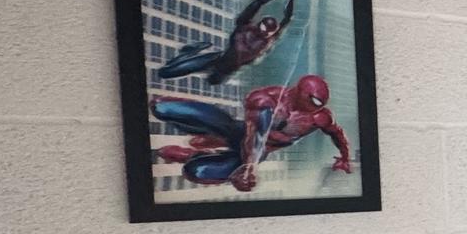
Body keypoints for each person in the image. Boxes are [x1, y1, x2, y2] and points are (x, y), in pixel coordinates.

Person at [151, 73, 352, 191]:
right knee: (162, 108)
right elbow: (254, 135)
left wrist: (345, 156)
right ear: (299, 92)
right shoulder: (267, 99)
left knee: (195, 171)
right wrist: (249, 165)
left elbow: (337, 133)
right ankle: (207, 141)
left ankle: (192, 154)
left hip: (260, 152)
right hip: (240, 134)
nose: (314, 108)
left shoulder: (319, 117)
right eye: (312, 102)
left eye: (319, 104)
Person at [156, 0, 300, 85]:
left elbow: (287, 18)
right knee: (165, 72)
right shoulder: (245, 26)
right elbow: (260, 1)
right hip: (216, 59)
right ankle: (188, 52)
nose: (263, 33)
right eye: (262, 28)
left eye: (267, 32)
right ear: (259, 24)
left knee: (209, 80)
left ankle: (190, 55)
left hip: (224, 70)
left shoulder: (267, 41)